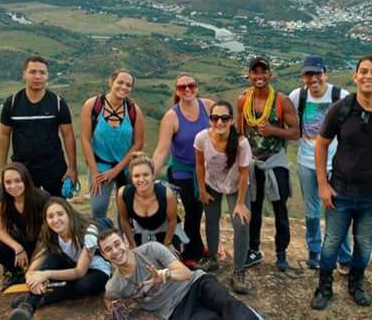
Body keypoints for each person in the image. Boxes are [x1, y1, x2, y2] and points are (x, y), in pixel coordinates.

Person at [311, 55, 372, 310]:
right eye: (363, 71)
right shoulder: (342, 109)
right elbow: (321, 145)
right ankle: (324, 287)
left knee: (364, 242)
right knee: (332, 241)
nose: (369, 76)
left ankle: (356, 284)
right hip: (340, 190)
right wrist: (323, 184)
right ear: (355, 76)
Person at [101, 228, 261, 320]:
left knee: (226, 303)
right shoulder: (115, 285)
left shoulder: (151, 249)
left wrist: (166, 275)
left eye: (117, 244)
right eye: (108, 249)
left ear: (125, 242)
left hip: (195, 284)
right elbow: (109, 297)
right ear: (104, 256)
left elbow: (185, 273)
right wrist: (114, 307)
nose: (115, 251)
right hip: (174, 309)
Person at [288, 56, 352, 272]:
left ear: (325, 73)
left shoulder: (340, 96)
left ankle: (344, 256)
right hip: (306, 162)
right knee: (312, 210)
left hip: (336, 164)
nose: (313, 79)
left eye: (317, 73)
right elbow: (284, 116)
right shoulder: (299, 96)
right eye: (308, 74)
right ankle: (314, 251)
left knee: (338, 210)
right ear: (303, 77)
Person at [236, 56, 299, 272]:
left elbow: (295, 132)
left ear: (270, 75)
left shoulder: (281, 101)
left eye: (263, 72)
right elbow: (241, 132)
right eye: (255, 72)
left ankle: (281, 252)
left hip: (275, 161)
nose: (259, 76)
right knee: (254, 206)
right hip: (253, 162)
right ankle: (253, 249)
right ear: (250, 75)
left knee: (279, 208)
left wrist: (273, 131)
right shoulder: (243, 100)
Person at [9, 197, 111, 319]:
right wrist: (31, 276)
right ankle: (28, 306)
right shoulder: (50, 232)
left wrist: (45, 274)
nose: (55, 220)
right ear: (46, 220)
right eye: (50, 216)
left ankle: (46, 297)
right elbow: (37, 261)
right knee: (51, 259)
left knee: (86, 285)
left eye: (60, 214)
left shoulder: (88, 231)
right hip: (72, 265)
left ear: (69, 214)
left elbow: (79, 271)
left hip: (95, 269)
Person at [152, 73, 212, 267]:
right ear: (176, 91)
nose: (187, 90)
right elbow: (162, 150)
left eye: (191, 85)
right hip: (183, 171)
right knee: (193, 210)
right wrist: (146, 177)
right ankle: (190, 253)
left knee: (204, 209)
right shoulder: (172, 116)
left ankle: (198, 244)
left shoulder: (208, 106)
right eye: (182, 87)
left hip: (207, 169)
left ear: (197, 87)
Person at [0, 56, 77, 197]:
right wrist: (3, 168)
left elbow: (68, 135)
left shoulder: (58, 103)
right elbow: (4, 135)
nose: (37, 76)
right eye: (32, 72)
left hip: (54, 167)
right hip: (23, 168)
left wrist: (72, 168)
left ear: (47, 76)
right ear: (24, 74)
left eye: (42, 73)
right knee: (25, 211)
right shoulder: (12, 103)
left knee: (56, 209)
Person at [194, 100, 252, 294]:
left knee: (241, 225)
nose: (219, 122)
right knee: (211, 220)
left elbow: (244, 173)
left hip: (236, 186)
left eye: (224, 118)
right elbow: (200, 165)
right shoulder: (202, 138)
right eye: (215, 117)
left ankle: (238, 270)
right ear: (210, 119)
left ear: (231, 120)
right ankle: (212, 258)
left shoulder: (241, 143)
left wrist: (242, 203)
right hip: (212, 183)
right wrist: (201, 189)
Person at [80, 69, 144, 219]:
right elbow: (85, 139)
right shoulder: (93, 105)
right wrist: (95, 172)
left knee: (126, 211)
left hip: (126, 166)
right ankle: (102, 240)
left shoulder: (134, 110)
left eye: (128, 85)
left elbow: (138, 143)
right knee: (98, 208)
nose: (124, 87)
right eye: (120, 82)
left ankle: (125, 241)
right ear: (111, 82)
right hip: (100, 166)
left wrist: (116, 170)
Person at [0, 163, 50, 290]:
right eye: (8, 182)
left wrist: (33, 264)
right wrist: (17, 247)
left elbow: (48, 235)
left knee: (50, 266)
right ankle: (15, 273)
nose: (13, 186)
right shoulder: (4, 198)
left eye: (18, 181)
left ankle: (32, 272)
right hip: (23, 242)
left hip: (45, 244)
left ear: (26, 180)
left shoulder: (42, 198)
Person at [117, 152, 185, 252]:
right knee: (139, 263)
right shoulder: (123, 193)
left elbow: (172, 220)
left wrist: (167, 244)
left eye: (146, 175)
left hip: (166, 231)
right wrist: (132, 244)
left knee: (170, 262)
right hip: (141, 231)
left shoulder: (167, 193)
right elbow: (124, 220)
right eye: (136, 176)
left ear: (153, 175)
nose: (141, 179)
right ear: (131, 178)